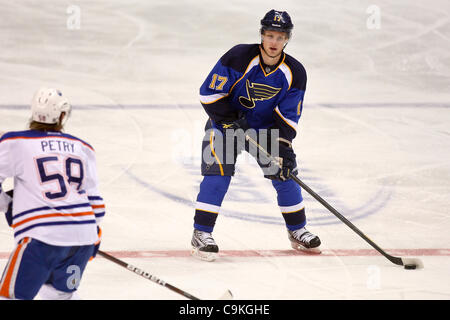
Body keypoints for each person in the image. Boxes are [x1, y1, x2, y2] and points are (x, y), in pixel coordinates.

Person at [191, 9, 321, 261]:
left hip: (264, 130)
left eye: (280, 37)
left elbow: (288, 117)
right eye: (270, 35)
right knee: (217, 174)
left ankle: (297, 229)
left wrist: (283, 149)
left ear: (287, 39)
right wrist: (229, 120)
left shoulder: (295, 72)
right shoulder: (239, 56)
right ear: (261, 35)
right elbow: (209, 93)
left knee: (286, 175)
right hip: (224, 125)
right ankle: (201, 232)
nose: (274, 42)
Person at [0, 87, 105, 299]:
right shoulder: (83, 147)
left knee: (10, 296)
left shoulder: (14, 142)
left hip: (42, 238)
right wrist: (89, 235)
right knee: (59, 296)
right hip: (82, 239)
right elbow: (98, 209)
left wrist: (7, 204)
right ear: (62, 115)